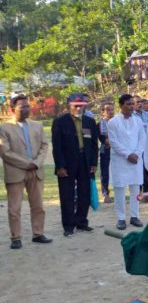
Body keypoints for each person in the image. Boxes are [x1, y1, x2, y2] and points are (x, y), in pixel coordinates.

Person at [0, 94, 52, 249]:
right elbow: (5, 152)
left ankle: (38, 233)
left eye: (28, 106)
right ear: (12, 109)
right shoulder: (4, 128)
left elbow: (44, 146)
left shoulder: (37, 125)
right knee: (14, 208)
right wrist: (26, 163)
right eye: (22, 107)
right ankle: (15, 237)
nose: (26, 109)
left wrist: (36, 163)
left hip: (36, 171)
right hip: (16, 172)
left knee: (38, 206)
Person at [52, 93, 99, 237]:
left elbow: (93, 145)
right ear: (69, 106)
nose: (79, 108)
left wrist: (93, 163)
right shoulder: (60, 121)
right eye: (76, 106)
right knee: (67, 194)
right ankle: (68, 225)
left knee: (84, 193)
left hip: (85, 161)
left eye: (81, 106)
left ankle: (81, 222)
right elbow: (57, 146)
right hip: (67, 163)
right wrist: (60, 166)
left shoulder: (89, 121)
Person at [108, 94, 146, 230]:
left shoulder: (138, 121)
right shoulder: (113, 122)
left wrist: (136, 153)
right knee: (120, 190)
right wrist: (127, 154)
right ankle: (121, 218)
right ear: (121, 105)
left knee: (135, 188)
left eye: (132, 104)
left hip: (136, 160)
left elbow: (143, 138)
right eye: (128, 104)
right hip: (120, 161)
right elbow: (114, 142)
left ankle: (135, 216)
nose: (131, 107)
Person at [133, 96, 148, 193]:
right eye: (137, 102)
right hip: (136, 147)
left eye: (141, 102)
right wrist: (146, 124)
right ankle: (138, 190)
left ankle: (147, 190)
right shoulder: (131, 117)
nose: (140, 104)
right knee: (139, 169)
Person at [98, 103, 115, 203]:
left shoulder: (119, 122)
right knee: (105, 173)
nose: (111, 111)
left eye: (112, 109)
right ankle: (105, 193)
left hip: (118, 151)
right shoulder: (100, 124)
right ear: (103, 111)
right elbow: (104, 139)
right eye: (108, 110)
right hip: (106, 151)